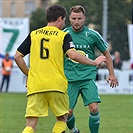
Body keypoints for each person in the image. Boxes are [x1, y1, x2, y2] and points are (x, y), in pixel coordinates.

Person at [14, 5, 106, 133]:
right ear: (59, 19)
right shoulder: (63, 35)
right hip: (57, 84)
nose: (64, 23)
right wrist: (94, 62)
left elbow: (18, 57)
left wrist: (29, 74)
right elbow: (73, 55)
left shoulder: (34, 34)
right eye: (64, 20)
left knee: (30, 124)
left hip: (36, 84)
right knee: (62, 119)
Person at [63, 5, 119, 133]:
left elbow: (107, 54)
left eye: (79, 18)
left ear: (84, 19)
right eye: (73, 18)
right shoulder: (64, 34)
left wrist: (112, 74)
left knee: (94, 108)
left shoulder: (92, 35)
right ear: (69, 19)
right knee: (67, 112)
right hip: (69, 78)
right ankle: (74, 131)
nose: (76, 21)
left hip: (87, 77)